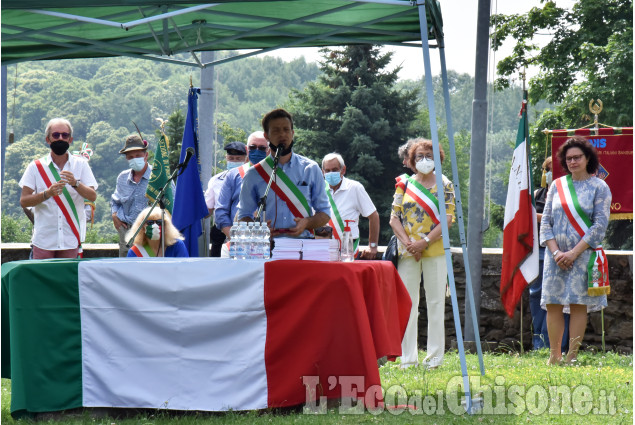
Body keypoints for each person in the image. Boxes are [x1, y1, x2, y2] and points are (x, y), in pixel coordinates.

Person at [540, 136, 611, 365]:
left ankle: (571, 356)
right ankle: (554, 355)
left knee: (578, 304)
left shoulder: (600, 187)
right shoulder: (557, 185)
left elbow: (599, 226)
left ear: (587, 158)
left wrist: (573, 253)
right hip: (556, 256)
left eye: (577, 157)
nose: (573, 161)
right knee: (553, 303)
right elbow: (546, 222)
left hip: (583, 255)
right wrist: (555, 252)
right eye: (569, 158)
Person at [389, 138, 455, 369]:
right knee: (409, 303)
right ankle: (408, 358)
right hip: (407, 252)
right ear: (412, 161)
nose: (424, 160)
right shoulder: (403, 185)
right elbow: (394, 218)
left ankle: (434, 358)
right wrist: (409, 243)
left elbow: (447, 220)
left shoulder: (445, 184)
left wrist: (424, 242)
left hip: (435, 250)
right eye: (420, 156)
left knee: (436, 302)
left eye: (429, 155)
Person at [237, 108, 330, 237]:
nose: (282, 134)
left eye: (286, 130)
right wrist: (258, 230)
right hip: (267, 248)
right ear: (266, 136)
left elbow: (325, 213)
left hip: (302, 246)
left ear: (292, 133)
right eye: (276, 130)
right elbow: (243, 215)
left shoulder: (310, 169)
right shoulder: (254, 174)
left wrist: (307, 223)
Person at [19, 118, 98, 259]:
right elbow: (24, 201)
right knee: (41, 280)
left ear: (70, 139)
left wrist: (76, 184)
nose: (60, 138)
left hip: (70, 238)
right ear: (48, 139)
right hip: (44, 240)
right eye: (56, 135)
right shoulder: (35, 167)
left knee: (67, 281)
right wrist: (47, 194)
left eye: (64, 135)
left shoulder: (81, 165)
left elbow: (92, 196)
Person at [530, 157, 570, 350]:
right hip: (538, 250)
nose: (550, 172)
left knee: (562, 297)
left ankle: (559, 344)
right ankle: (539, 342)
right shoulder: (537, 193)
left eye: (554, 169)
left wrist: (538, 217)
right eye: (547, 169)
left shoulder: (569, 194)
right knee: (537, 295)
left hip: (563, 251)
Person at [215, 132, 270, 256]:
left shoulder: (276, 176)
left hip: (269, 246)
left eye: (262, 148)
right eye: (252, 147)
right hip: (237, 246)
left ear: (269, 150)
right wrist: (236, 239)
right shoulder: (233, 175)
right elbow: (221, 212)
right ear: (246, 149)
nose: (257, 151)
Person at [321, 152, 380, 259]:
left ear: (343, 170)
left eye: (334, 170)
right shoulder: (318, 189)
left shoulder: (355, 187)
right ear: (323, 172)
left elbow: (374, 216)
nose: (330, 173)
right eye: (327, 171)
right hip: (324, 249)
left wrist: (373, 246)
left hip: (348, 250)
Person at [111, 134, 152, 257]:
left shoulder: (158, 177)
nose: (134, 159)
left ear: (146, 155)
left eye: (138, 156)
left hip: (151, 233)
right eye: (130, 157)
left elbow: (172, 204)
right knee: (126, 268)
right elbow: (115, 201)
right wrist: (114, 215)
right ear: (127, 159)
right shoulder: (122, 177)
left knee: (150, 269)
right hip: (127, 232)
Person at [204, 142, 247, 256]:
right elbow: (208, 209)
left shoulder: (250, 178)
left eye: (238, 159)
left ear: (245, 159)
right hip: (220, 233)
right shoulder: (216, 180)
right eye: (231, 158)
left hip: (243, 231)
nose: (234, 161)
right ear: (226, 158)